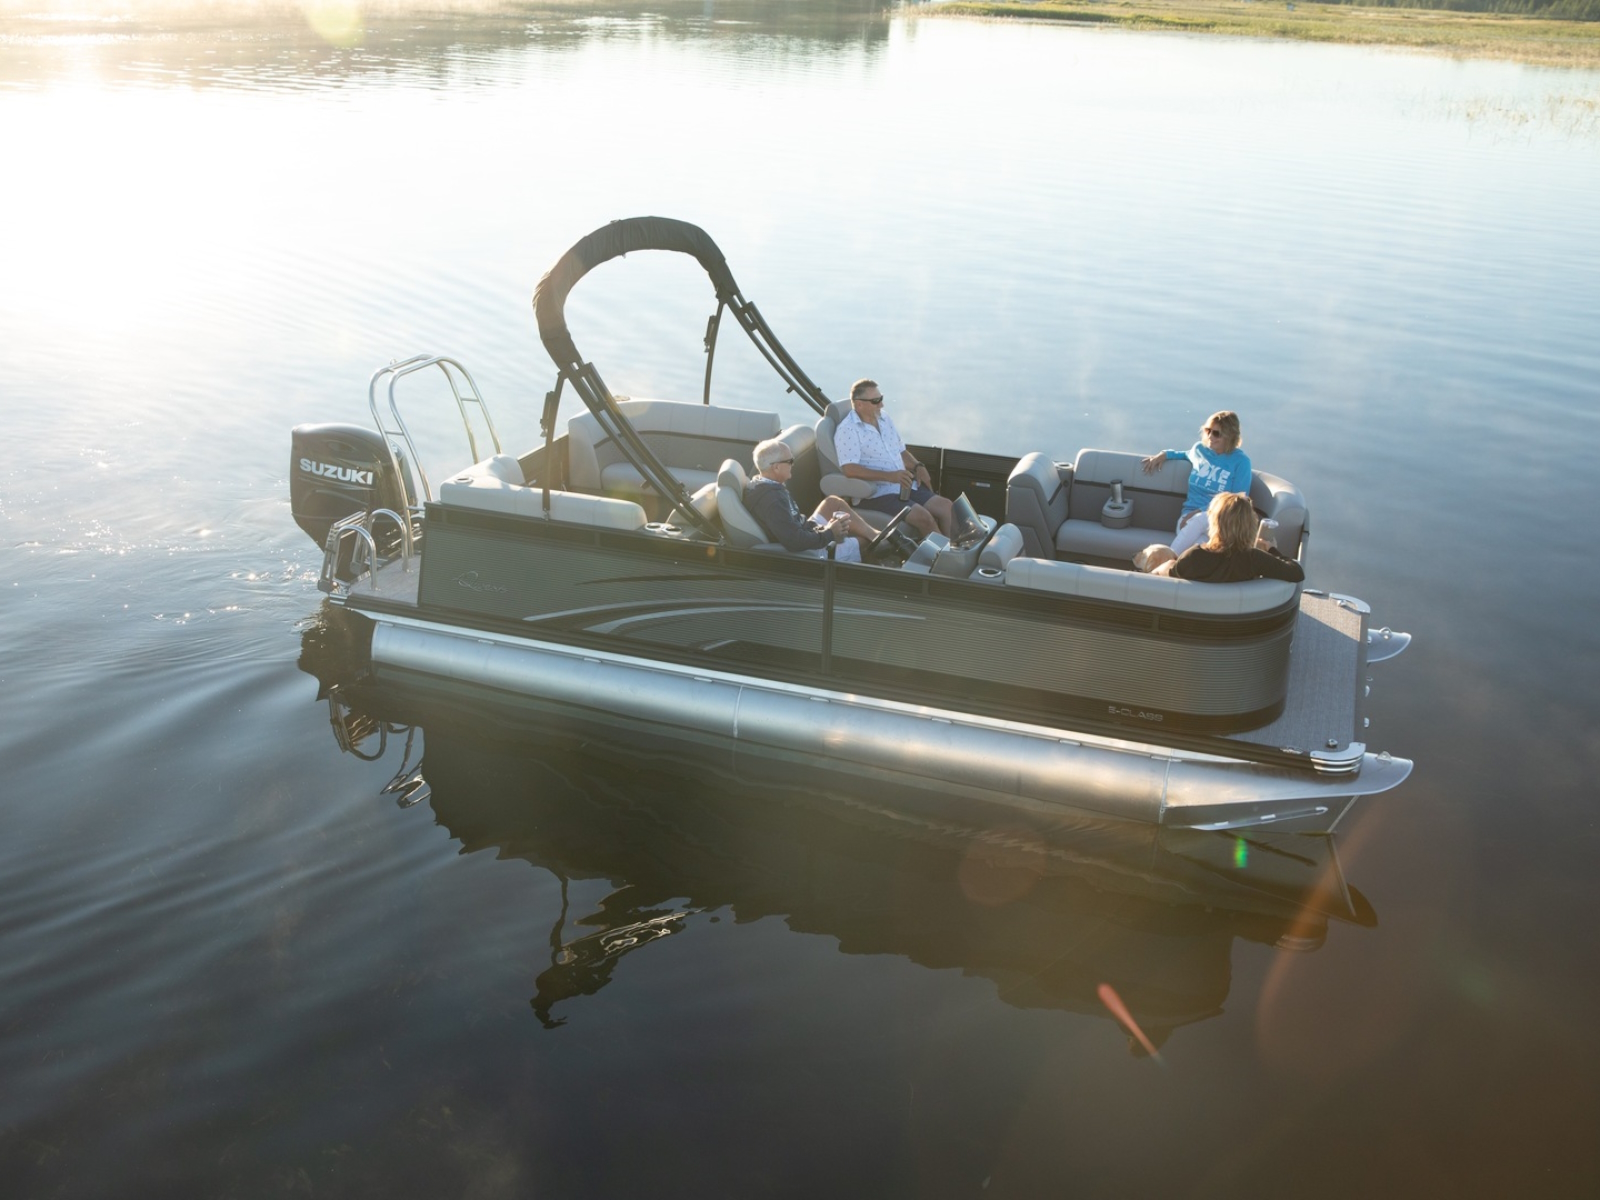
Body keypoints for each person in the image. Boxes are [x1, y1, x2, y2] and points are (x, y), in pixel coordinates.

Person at [833, 378, 954, 539]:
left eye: (881, 398)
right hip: (876, 494)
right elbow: (850, 469)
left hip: (902, 484)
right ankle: (943, 555)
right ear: (859, 404)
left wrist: (918, 466)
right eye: (876, 401)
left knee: (947, 506)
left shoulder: (884, 418)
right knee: (924, 518)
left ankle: (956, 550)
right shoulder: (848, 430)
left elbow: (900, 451)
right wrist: (890, 476)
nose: (881, 405)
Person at [744, 438, 876, 562]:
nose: (792, 464)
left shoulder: (764, 484)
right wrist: (830, 533)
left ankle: (875, 535)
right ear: (776, 467)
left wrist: (821, 528)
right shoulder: (773, 502)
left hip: (805, 530)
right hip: (810, 550)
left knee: (832, 503)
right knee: (866, 543)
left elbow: (792, 526)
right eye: (790, 461)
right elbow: (795, 541)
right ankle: (877, 544)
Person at [1140, 410, 1251, 557]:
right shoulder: (1199, 450)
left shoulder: (1241, 462)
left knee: (1200, 520)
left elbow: (1238, 500)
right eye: (1208, 430)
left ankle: (1166, 561)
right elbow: (1182, 454)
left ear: (1230, 436)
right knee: (1199, 545)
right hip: (1188, 518)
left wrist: (1200, 511)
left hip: (1221, 520)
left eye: (1216, 433)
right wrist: (1164, 454)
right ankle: (1174, 564)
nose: (1210, 436)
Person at [1151, 492, 1304, 583]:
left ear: (1214, 522)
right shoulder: (1254, 559)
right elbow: (1296, 572)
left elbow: (1161, 578)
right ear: (1250, 525)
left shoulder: (1194, 557)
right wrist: (1271, 550)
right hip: (1235, 623)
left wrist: (1166, 565)